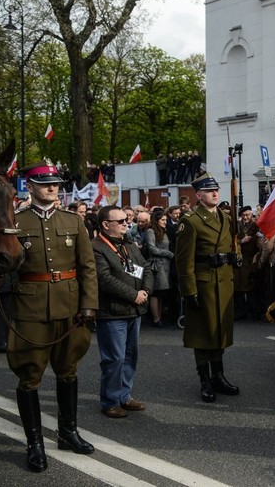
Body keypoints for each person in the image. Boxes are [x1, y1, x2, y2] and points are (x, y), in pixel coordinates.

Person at [9, 160, 98, 472]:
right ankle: (34, 442)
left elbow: (88, 267)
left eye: (56, 184)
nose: (52, 188)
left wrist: (89, 305)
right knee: (29, 377)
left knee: (68, 371)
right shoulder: (15, 221)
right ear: (31, 187)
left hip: (71, 308)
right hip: (30, 309)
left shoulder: (73, 221)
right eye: (45, 184)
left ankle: (67, 432)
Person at [175, 173, 239, 403]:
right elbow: (184, 261)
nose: (214, 193)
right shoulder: (191, 221)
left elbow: (234, 242)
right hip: (204, 284)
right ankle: (205, 379)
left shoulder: (226, 217)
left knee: (219, 332)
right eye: (209, 190)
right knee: (203, 334)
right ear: (199, 195)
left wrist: (237, 256)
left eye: (216, 190)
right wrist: (189, 290)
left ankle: (218, 375)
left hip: (224, 281)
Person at [91, 206, 154, 418]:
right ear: (105, 225)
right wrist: (133, 295)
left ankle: (124, 396)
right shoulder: (96, 247)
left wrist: (145, 291)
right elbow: (105, 279)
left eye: (126, 220)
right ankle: (110, 401)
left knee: (130, 356)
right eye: (120, 221)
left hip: (133, 310)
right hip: (112, 312)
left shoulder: (128, 243)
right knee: (114, 358)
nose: (126, 223)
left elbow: (145, 267)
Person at [146, 210, 175, 328]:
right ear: (156, 220)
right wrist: (168, 254)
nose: (165, 222)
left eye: (165, 220)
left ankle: (159, 317)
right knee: (155, 292)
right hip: (157, 265)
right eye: (162, 220)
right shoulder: (151, 231)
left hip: (165, 265)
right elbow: (152, 248)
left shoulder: (164, 231)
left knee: (161, 292)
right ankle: (156, 318)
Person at [234, 205, 261, 320]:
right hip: (239, 260)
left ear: (252, 215)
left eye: (248, 215)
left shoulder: (256, 226)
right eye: (243, 215)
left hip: (251, 261)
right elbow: (232, 240)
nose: (245, 217)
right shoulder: (237, 226)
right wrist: (241, 241)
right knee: (238, 288)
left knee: (251, 287)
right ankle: (242, 311)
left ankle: (254, 311)